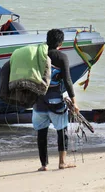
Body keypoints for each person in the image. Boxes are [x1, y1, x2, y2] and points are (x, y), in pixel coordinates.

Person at [32, 29, 79, 171]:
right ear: (61, 43)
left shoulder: (37, 55)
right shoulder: (61, 57)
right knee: (61, 130)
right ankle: (62, 162)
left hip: (38, 102)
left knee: (42, 133)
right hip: (55, 102)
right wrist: (74, 102)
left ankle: (43, 165)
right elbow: (68, 80)